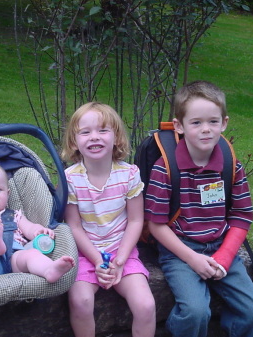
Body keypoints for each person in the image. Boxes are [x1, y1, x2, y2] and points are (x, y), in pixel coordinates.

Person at [145, 81, 253, 337]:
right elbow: (156, 224)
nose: (205, 130)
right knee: (195, 312)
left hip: (221, 248)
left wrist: (223, 258)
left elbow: (242, 216)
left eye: (213, 122)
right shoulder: (164, 169)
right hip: (180, 250)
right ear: (179, 126)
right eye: (196, 122)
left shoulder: (231, 165)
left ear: (224, 123)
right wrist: (192, 258)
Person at [62, 102, 156, 337]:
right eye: (86, 132)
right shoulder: (70, 179)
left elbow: (136, 221)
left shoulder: (129, 174)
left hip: (122, 252)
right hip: (84, 254)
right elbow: (73, 225)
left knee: (146, 305)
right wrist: (96, 260)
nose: (95, 137)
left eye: (103, 130)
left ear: (116, 137)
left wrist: (120, 260)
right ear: (74, 142)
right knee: (81, 301)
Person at [0, 161, 75, 283]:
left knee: (32, 254)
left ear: (8, 193)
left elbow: (29, 228)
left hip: (14, 259)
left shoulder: (14, 215)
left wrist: (38, 230)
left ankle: (49, 270)